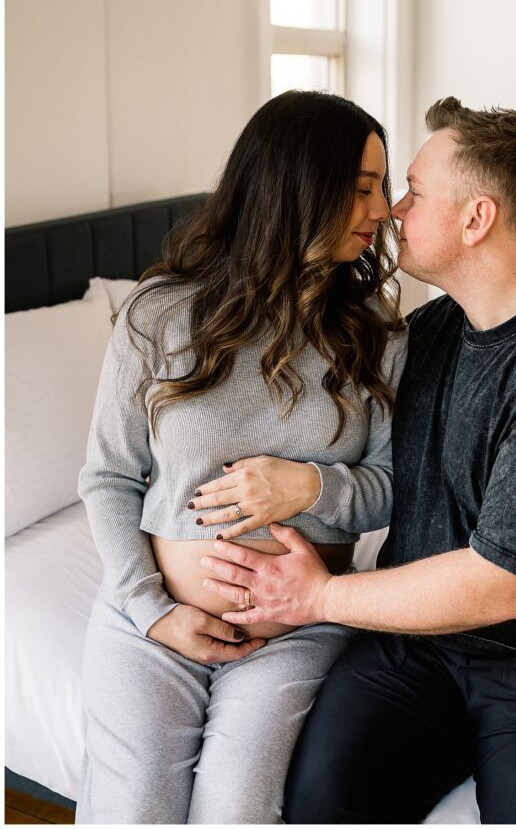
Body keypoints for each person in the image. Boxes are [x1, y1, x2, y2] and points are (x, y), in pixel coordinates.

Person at [205, 97, 516, 825]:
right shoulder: (428, 334)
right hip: (418, 651)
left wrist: (319, 597)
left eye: (414, 191)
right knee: (318, 806)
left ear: (476, 218)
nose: (392, 209)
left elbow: (505, 586)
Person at [76, 90, 408, 824]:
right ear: (297, 187)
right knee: (135, 809)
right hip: (151, 624)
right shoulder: (158, 314)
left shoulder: (377, 331)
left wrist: (308, 486)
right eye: (362, 189)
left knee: (238, 808)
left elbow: (391, 489)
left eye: (381, 188)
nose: (383, 210)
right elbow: (106, 478)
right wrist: (150, 610)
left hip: (296, 634)